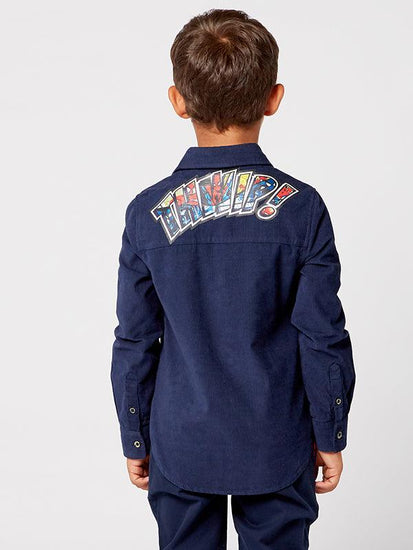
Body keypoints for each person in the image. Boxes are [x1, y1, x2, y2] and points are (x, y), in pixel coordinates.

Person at [110, 8, 356, 549]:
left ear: (177, 101)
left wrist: (135, 434)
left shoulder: (146, 213)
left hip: (180, 440)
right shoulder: (303, 209)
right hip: (277, 438)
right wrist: (330, 430)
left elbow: (135, 338)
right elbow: (322, 335)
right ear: (273, 98)